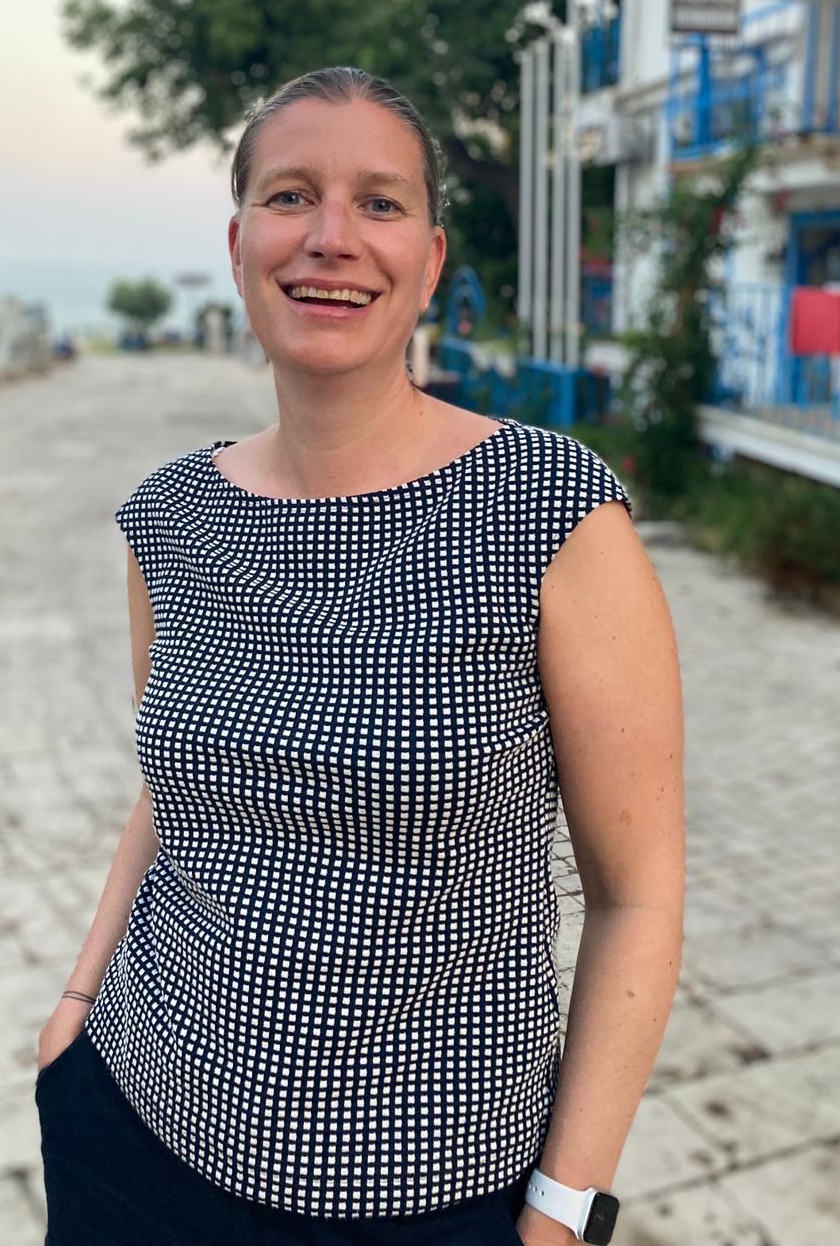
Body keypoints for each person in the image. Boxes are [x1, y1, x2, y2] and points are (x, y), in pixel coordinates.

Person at [34, 67, 685, 1245]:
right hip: (134, 1129)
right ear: (240, 245)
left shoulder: (550, 512)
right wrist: (78, 999)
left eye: (379, 202)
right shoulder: (168, 515)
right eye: (291, 195)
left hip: (435, 1193)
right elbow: (172, 790)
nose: (330, 236)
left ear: (428, 261)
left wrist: (563, 1208)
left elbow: (636, 894)